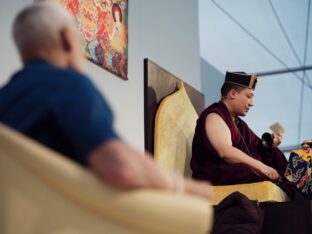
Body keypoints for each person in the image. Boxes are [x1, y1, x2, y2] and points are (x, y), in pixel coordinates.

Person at [0, 2, 211, 199]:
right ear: (66, 38)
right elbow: (120, 167)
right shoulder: (68, 85)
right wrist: (183, 187)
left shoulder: (6, 97)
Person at [191, 71, 288, 185]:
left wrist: (270, 146)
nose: (251, 103)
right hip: (211, 178)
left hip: (230, 174)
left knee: (280, 174)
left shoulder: (240, 124)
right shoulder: (215, 116)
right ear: (233, 93)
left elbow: (255, 147)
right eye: (248, 96)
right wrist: (262, 167)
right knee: (250, 171)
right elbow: (226, 152)